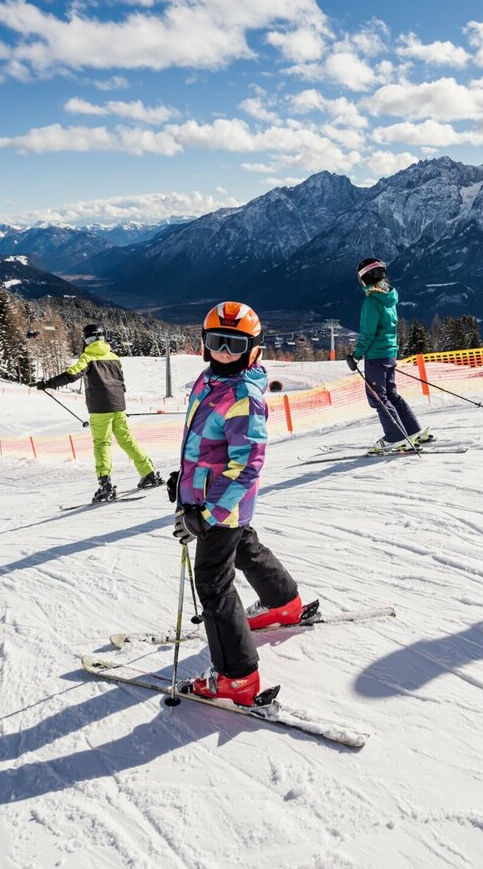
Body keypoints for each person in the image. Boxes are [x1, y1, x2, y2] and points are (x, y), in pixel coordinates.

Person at [168, 301, 302, 706]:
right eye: (217, 341)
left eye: (235, 344)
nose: (225, 351)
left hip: (219, 507)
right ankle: (283, 602)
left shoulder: (243, 394)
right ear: (205, 344)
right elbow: (204, 443)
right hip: (216, 501)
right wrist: (185, 480)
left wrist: (206, 515)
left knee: (212, 583)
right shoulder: (209, 379)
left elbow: (247, 465)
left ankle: (237, 677)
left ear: (253, 348)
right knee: (244, 546)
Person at [37, 323, 163, 501]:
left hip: (99, 408)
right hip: (118, 405)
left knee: (102, 444)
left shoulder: (87, 357)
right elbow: (121, 382)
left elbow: (72, 374)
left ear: (86, 339)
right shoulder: (114, 356)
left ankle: (106, 485)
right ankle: (149, 473)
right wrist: (116, 402)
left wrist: (47, 384)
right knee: (127, 440)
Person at [346, 258, 427, 450]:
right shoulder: (389, 297)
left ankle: (395, 437)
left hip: (376, 356)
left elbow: (368, 333)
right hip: (390, 353)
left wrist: (356, 355)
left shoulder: (372, 302)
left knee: (378, 397)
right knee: (391, 394)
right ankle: (412, 430)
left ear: (365, 279)